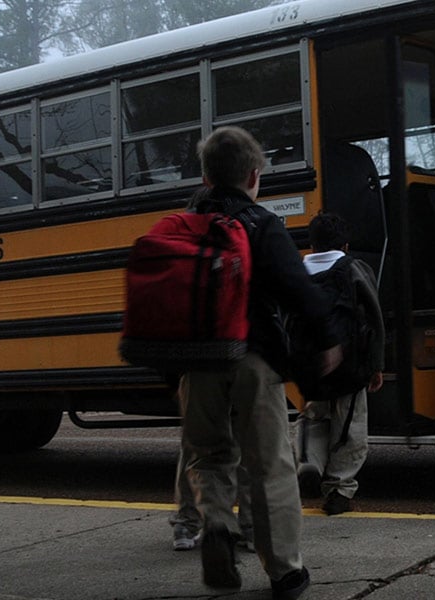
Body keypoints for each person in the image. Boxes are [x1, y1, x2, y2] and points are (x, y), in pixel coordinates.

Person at [180, 126, 340, 600]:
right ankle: (285, 571)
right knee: (270, 465)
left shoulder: (183, 227)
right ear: (254, 176)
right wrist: (328, 340)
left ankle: (214, 524)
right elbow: (299, 290)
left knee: (208, 456)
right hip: (252, 358)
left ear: (207, 177)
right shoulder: (261, 224)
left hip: (196, 364)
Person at [296, 212, 385, 515]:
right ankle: (339, 490)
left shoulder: (297, 272)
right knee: (349, 426)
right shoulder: (354, 269)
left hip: (312, 368)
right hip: (350, 366)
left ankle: (309, 461)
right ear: (345, 245)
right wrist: (375, 365)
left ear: (312, 243)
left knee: (314, 417)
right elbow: (374, 318)